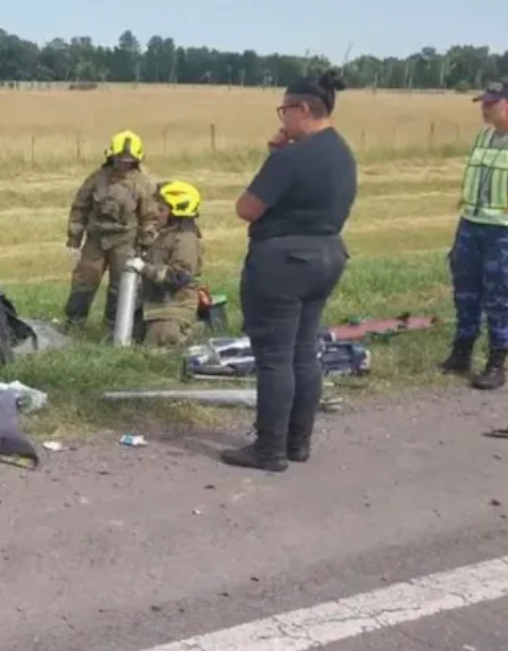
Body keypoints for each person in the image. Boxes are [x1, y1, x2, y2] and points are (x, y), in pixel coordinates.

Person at [220, 69, 356, 473]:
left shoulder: (292, 157)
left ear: (301, 108)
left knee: (275, 358)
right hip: (328, 255)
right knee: (303, 351)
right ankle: (299, 442)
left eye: (284, 111)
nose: (282, 121)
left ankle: (269, 449)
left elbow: (247, 208)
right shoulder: (342, 152)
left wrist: (276, 153)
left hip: (283, 263)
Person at [438, 77, 508, 390]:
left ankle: (497, 362)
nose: (484, 109)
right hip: (471, 224)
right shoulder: (484, 137)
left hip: (503, 233)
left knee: (500, 298)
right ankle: (461, 352)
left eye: (490, 104)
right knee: (465, 291)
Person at [63, 129, 161, 330]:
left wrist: (145, 243)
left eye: (128, 161)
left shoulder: (142, 183)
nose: (123, 164)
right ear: (111, 157)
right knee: (84, 281)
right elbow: (80, 207)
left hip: (125, 241)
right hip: (95, 239)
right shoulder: (97, 178)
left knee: (120, 285)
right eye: (119, 160)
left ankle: (113, 326)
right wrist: (74, 238)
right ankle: (74, 322)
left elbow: (150, 217)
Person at [127, 180, 204, 347]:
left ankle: (189, 332)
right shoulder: (162, 233)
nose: (156, 213)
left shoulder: (185, 240)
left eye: (161, 210)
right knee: (129, 339)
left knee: (158, 345)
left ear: (176, 213)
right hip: (151, 305)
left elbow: (179, 277)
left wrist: (144, 268)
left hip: (173, 307)